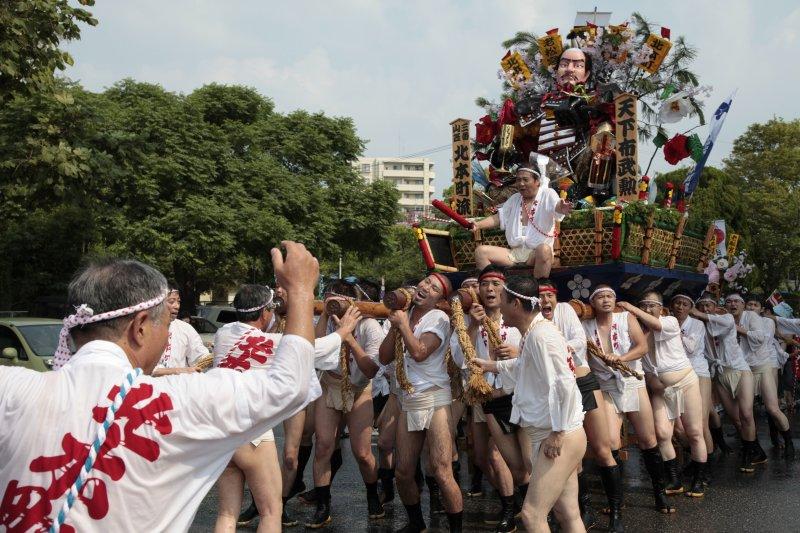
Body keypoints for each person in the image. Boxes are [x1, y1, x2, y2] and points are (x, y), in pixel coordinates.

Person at [0, 242, 317, 531]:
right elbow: (290, 383)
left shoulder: (13, 388)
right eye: (166, 325)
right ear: (139, 327)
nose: (168, 337)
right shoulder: (177, 401)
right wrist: (301, 292)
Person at [474, 275, 586, 533]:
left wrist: (557, 434)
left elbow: (563, 384)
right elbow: (525, 366)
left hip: (559, 436)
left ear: (515, 303)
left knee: (531, 515)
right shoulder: (535, 331)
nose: (499, 307)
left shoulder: (540, 336)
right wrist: (492, 366)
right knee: (567, 513)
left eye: (502, 300)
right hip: (554, 432)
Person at [378, 273, 463, 533]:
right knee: (403, 473)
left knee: (441, 470)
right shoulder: (405, 312)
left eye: (434, 288)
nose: (426, 287)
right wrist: (396, 325)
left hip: (435, 397)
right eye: (426, 282)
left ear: (440, 299)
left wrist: (403, 325)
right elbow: (383, 357)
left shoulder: (438, 318)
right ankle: (417, 524)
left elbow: (419, 353)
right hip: (409, 398)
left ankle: (456, 529)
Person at [582, 285, 675, 517]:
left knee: (648, 438)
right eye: (601, 297)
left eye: (610, 296)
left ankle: (659, 493)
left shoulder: (626, 318)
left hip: (632, 382)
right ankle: (616, 501)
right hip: (605, 386)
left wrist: (621, 358)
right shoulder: (585, 326)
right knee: (611, 442)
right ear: (592, 302)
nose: (606, 300)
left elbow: (642, 346)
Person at [538, 279, 621, 532]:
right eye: (540, 296)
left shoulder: (565, 310)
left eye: (549, 295)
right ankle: (585, 511)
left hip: (582, 381)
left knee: (602, 448)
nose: (545, 301)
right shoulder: (534, 320)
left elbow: (577, 340)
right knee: (574, 460)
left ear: (555, 296)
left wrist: (551, 348)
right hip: (555, 391)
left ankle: (616, 512)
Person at [306, 281, 385, 528]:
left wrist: (348, 337)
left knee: (362, 453)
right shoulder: (325, 321)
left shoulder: (370, 325)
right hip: (331, 384)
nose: (332, 304)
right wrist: (323, 317)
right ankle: (323, 505)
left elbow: (371, 369)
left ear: (351, 302)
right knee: (323, 448)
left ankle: (373, 495)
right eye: (327, 299)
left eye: (336, 300)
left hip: (359, 389)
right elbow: (313, 350)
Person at [449, 265, 521, 533]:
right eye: (485, 284)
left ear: (504, 289)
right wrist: (473, 325)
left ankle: (511, 509)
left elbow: (531, 351)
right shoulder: (470, 319)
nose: (490, 289)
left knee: (497, 455)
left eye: (495, 284)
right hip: (481, 394)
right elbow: (460, 358)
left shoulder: (515, 317)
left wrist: (514, 351)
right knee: (480, 457)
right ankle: (514, 500)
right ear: (478, 290)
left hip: (511, 395)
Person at [620, 291, 708, 498]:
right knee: (662, 434)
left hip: (686, 382)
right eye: (644, 305)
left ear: (662, 308)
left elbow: (655, 324)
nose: (648, 309)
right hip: (661, 390)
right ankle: (674, 479)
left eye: (652, 305)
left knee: (694, 432)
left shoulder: (669, 322)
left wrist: (631, 308)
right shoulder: (638, 333)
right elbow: (645, 368)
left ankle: (698, 480)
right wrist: (652, 381)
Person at [690, 292, 761, 472]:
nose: (705, 308)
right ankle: (755, 449)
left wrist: (697, 313)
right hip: (720, 375)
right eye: (702, 306)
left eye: (709, 305)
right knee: (736, 419)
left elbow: (725, 323)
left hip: (740, 370)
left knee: (746, 414)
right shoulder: (698, 326)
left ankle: (748, 454)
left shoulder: (726, 318)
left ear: (716, 308)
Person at [471, 164, 573, 278]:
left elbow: (556, 205)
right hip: (514, 254)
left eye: (525, 180)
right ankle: (494, 288)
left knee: (544, 250)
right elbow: (499, 218)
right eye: (518, 180)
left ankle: (537, 289)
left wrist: (561, 208)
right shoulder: (515, 199)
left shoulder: (547, 194)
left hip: (535, 254)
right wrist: (477, 225)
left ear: (537, 181)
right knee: (481, 252)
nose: (521, 184)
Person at [669, 291, 718, 455]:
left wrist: (675, 331)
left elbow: (691, 348)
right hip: (676, 374)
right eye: (677, 303)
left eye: (685, 304)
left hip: (698, 372)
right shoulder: (667, 322)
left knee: (701, 423)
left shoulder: (697, 325)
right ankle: (695, 458)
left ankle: (706, 465)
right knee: (680, 426)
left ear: (690, 308)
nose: (680, 307)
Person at [744, 297, 794, 456]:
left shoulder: (767, 322)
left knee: (772, 407)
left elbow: (760, 341)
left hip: (767, 363)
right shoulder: (740, 319)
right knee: (746, 410)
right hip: (745, 367)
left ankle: (786, 441)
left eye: (755, 305)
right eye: (749, 304)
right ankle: (753, 445)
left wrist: (738, 329)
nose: (751, 307)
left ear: (761, 310)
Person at [152, 285, 209, 376]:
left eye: (178, 301)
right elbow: (144, 368)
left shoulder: (185, 328)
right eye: (171, 301)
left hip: (179, 386)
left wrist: (212, 359)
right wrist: (178, 371)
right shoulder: (144, 329)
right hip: (151, 386)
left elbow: (199, 356)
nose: (177, 306)